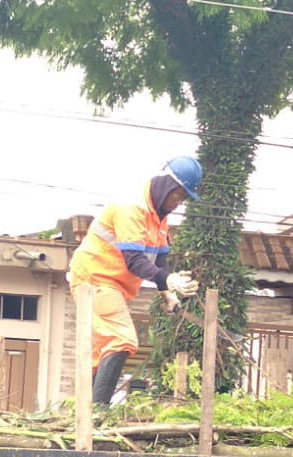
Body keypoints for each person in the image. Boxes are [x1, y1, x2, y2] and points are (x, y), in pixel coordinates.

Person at [69, 157, 203, 403]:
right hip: (95, 279)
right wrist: (170, 280)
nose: (177, 203)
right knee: (122, 340)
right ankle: (98, 413)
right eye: (177, 196)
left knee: (103, 352)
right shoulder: (132, 208)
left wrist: (167, 293)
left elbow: (159, 259)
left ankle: (86, 415)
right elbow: (134, 261)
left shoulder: (158, 215)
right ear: (165, 184)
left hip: (111, 285)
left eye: (183, 199)